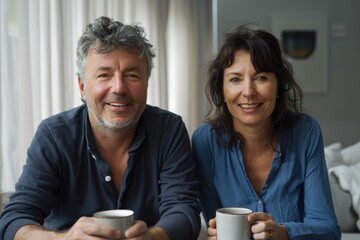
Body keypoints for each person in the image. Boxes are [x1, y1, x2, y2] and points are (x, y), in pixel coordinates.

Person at [0, 16, 201, 240]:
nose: (119, 88)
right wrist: (63, 239)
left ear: (146, 83)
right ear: (82, 86)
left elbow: (184, 210)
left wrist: (153, 237)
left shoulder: (169, 130)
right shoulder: (54, 135)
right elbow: (13, 221)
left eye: (132, 75)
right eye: (104, 75)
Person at [191, 25, 341, 240]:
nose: (249, 92)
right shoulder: (205, 141)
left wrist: (284, 232)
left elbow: (329, 230)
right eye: (235, 79)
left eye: (261, 77)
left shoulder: (306, 132)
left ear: (278, 86)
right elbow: (214, 222)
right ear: (221, 90)